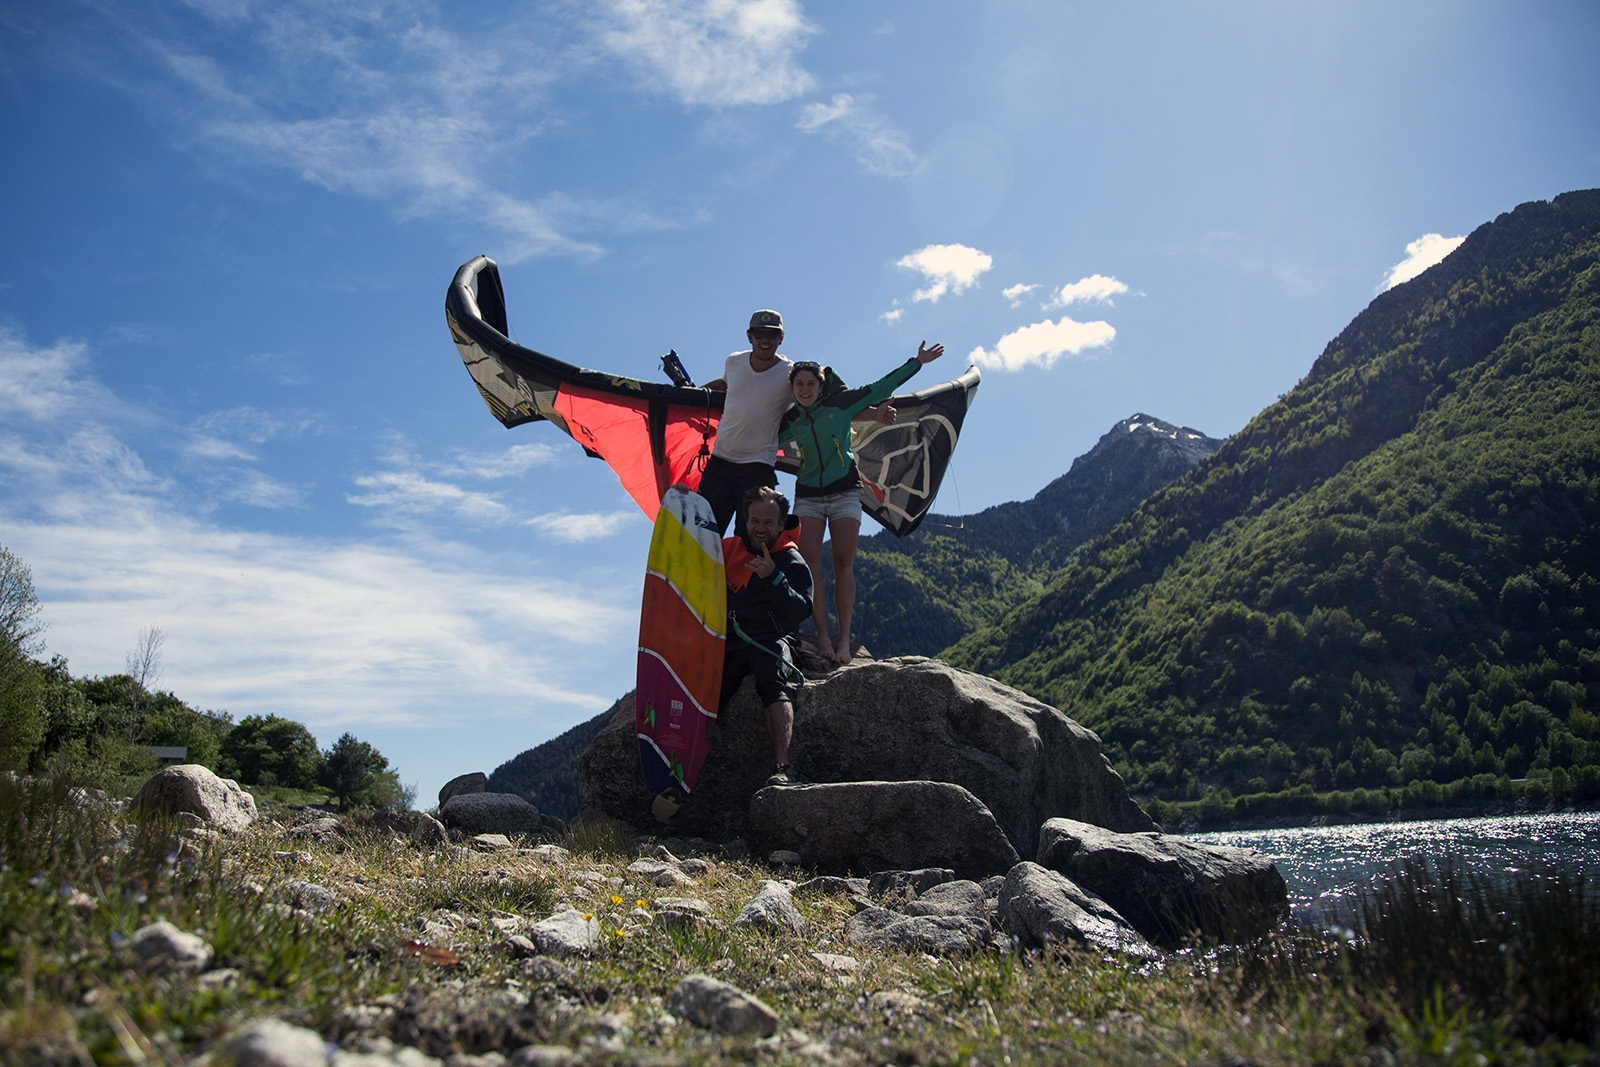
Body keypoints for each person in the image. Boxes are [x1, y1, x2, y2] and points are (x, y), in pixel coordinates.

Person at [781, 341, 945, 663]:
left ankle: (844, 640)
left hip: (844, 493)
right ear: (792, 388)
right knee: (809, 565)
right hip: (809, 497)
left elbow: (881, 386)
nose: (804, 389)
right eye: (799, 384)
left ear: (821, 385)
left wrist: (917, 363)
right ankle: (823, 638)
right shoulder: (789, 421)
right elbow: (752, 432)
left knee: (843, 563)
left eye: (811, 383)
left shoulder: (841, 405)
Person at [698, 309, 894, 536]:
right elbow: (725, 384)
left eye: (771, 335)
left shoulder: (791, 374)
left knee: (750, 541)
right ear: (748, 336)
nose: (764, 340)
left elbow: (826, 409)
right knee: (705, 536)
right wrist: (687, 392)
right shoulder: (733, 362)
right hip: (719, 462)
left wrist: (873, 415)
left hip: (757, 466)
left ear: (781, 339)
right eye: (759, 333)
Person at [720, 485, 813, 787]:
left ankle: (783, 766)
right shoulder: (728, 550)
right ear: (745, 520)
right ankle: (684, 766)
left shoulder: (791, 560)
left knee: (770, 677)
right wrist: (683, 499)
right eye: (755, 521)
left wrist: (774, 577)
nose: (760, 528)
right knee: (710, 686)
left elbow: (801, 611)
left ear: (780, 524)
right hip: (733, 640)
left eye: (768, 523)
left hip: (774, 639)